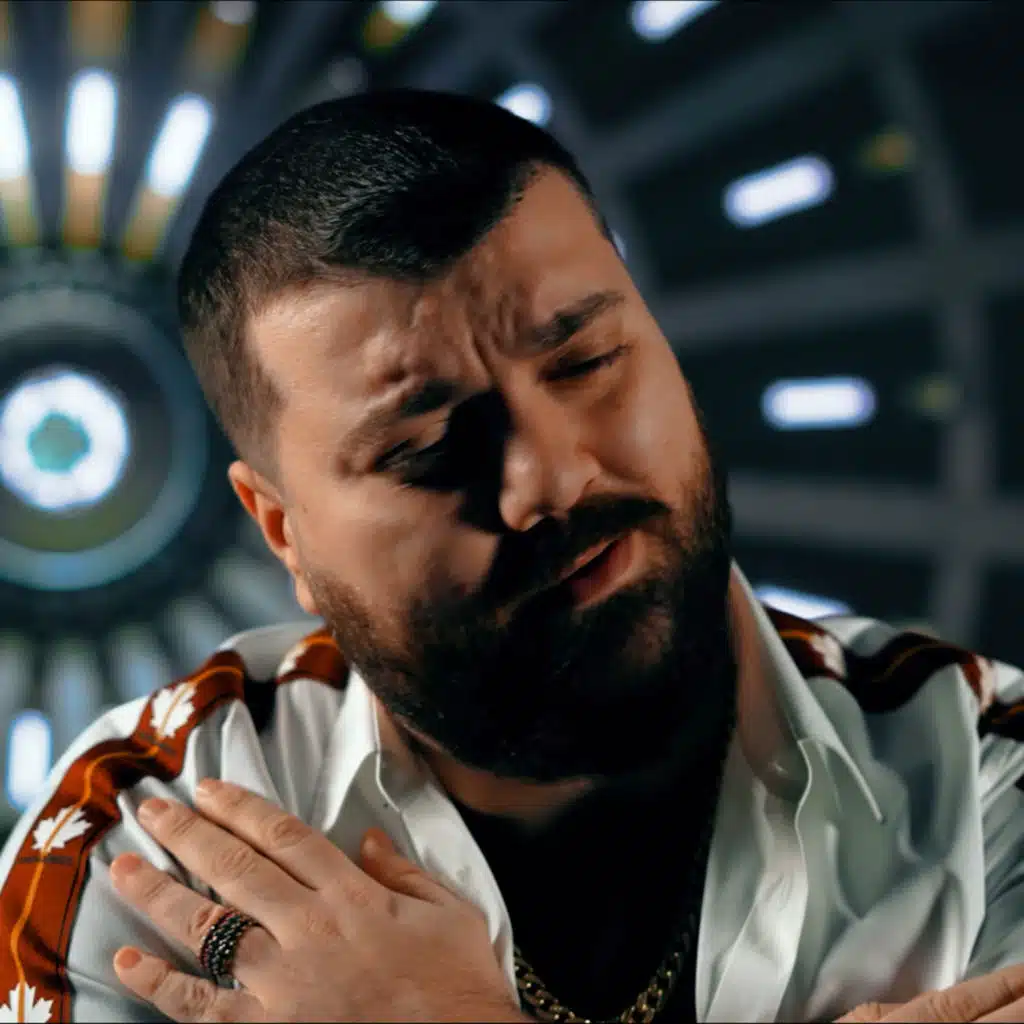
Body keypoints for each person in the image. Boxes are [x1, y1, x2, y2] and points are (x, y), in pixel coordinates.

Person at [0, 89, 1022, 1024]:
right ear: (283, 531)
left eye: (588, 362)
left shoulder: (990, 774)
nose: (551, 480)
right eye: (423, 448)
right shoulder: (134, 850)